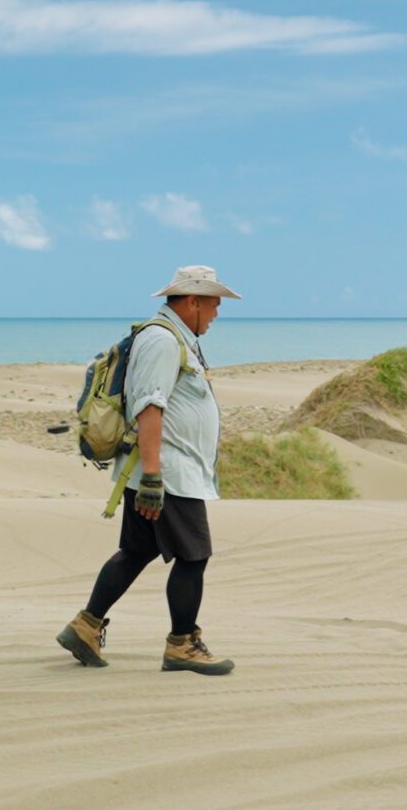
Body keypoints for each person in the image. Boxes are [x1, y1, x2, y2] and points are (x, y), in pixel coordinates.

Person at [57, 266, 241, 675]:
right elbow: (149, 406)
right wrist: (154, 478)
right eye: (213, 304)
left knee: (138, 550)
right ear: (192, 301)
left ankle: (85, 626)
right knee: (194, 556)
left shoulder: (176, 338)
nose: (216, 313)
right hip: (167, 472)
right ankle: (183, 644)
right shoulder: (161, 339)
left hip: (159, 469)